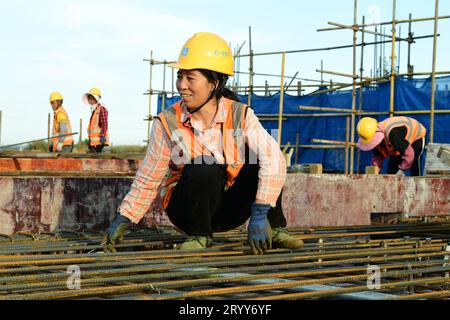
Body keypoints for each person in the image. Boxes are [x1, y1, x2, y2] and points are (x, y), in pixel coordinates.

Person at [102, 32, 303, 255]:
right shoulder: (168, 122)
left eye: (191, 78)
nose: (181, 85)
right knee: (203, 165)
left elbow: (273, 158)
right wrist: (124, 217)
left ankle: (274, 229)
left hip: (228, 209)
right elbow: (149, 177)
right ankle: (199, 236)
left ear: (213, 83)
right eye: (180, 77)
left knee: (262, 160)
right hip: (187, 210)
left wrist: (260, 212)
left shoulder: (239, 115)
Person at [357, 116, 426, 176]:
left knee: (415, 163)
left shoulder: (394, 135)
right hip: (399, 141)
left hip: (416, 135)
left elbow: (410, 154)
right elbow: (378, 155)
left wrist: (402, 169)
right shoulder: (376, 139)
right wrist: (375, 169)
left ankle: (418, 188)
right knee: (392, 169)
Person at [82, 87, 109, 153]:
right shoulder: (94, 110)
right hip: (94, 142)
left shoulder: (102, 109)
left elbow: (104, 123)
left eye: (91, 98)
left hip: (100, 141)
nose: (90, 101)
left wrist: (103, 135)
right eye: (89, 99)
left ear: (97, 98)